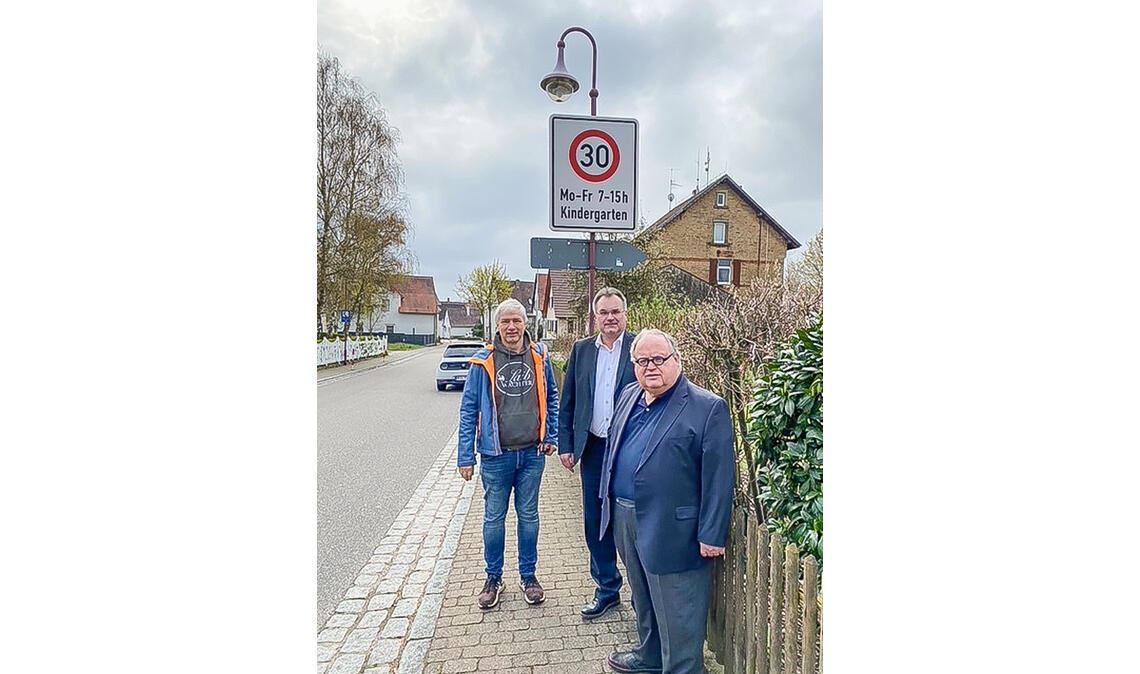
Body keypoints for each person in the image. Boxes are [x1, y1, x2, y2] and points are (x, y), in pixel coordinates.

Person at [599, 329, 735, 674]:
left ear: (677, 360)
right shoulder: (629, 394)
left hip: (674, 528)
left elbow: (720, 476)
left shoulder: (707, 407)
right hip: (626, 517)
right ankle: (649, 656)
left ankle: (682, 668)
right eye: (642, 361)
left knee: (678, 614)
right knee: (643, 599)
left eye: (659, 359)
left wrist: (712, 534)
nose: (650, 367)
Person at [457, 298, 559, 609]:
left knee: (529, 517)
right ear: (497, 326)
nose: (512, 327)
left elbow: (552, 396)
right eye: (506, 322)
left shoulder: (539, 357)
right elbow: (468, 409)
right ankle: (493, 578)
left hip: (532, 454)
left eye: (516, 321)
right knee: (493, 519)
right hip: (495, 456)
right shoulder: (482, 361)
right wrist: (465, 456)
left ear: (525, 323)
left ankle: (528, 576)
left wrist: (550, 434)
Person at [557, 287, 637, 620]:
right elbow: (569, 401)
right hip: (592, 447)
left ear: (625, 313)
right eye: (604, 313)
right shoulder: (582, 350)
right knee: (594, 523)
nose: (610, 318)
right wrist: (566, 445)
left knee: (631, 523)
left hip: (629, 450)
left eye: (615, 311)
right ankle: (606, 589)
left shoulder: (639, 347)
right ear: (595, 316)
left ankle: (641, 595)